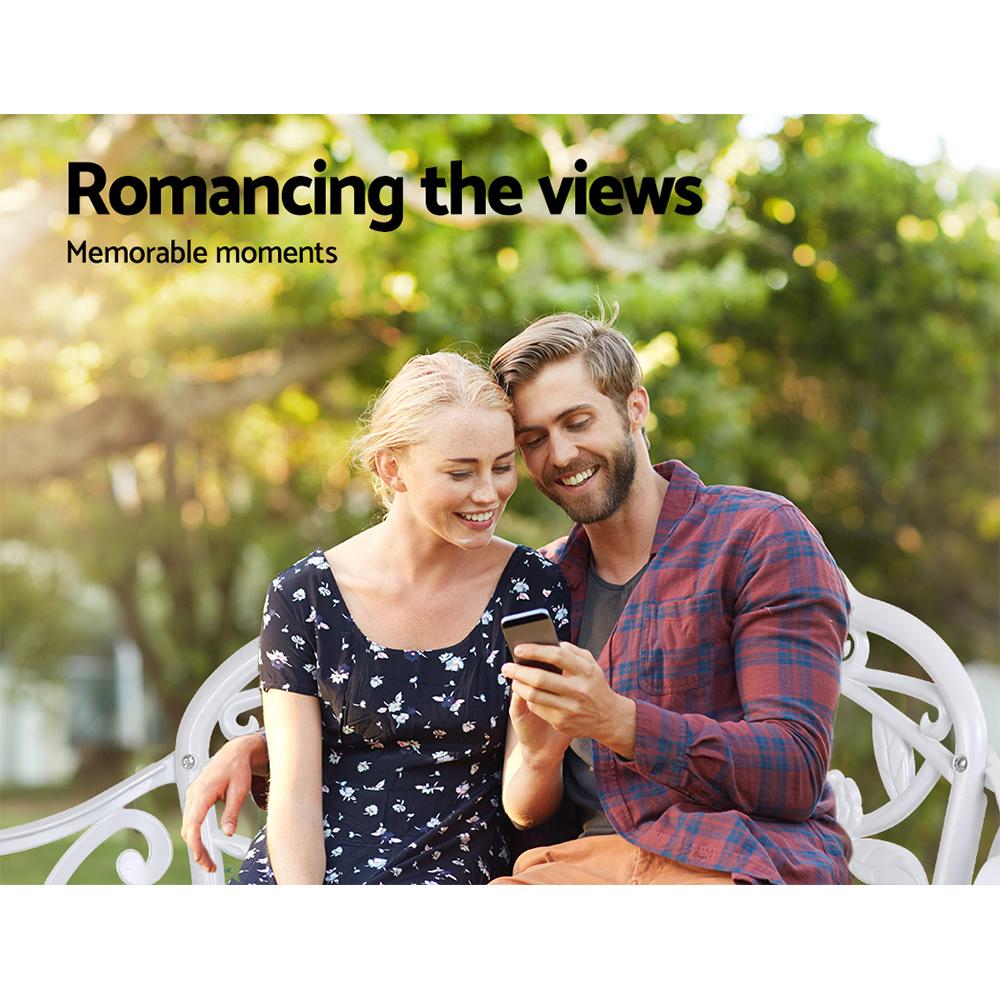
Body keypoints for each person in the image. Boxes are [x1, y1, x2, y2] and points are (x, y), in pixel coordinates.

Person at [183, 308, 852, 884]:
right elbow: (486, 756)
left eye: (578, 420)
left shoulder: (756, 535)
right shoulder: (553, 583)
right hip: (580, 869)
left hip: (733, 860)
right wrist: (265, 744)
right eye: (533, 440)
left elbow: (792, 768)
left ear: (636, 407)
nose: (559, 454)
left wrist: (615, 719)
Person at [223, 352, 570, 884]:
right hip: (306, 876)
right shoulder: (304, 596)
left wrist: (543, 752)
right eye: (460, 472)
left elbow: (525, 807)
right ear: (391, 467)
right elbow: (293, 797)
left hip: (452, 876)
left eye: (502, 466)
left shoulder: (529, 588)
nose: (489, 493)